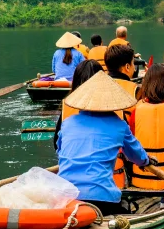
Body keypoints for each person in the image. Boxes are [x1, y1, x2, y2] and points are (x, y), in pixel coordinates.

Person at [55, 75, 150, 216]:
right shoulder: (119, 125)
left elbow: (59, 151)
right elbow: (136, 155)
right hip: (102, 198)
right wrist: (146, 161)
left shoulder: (68, 122)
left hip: (66, 196)